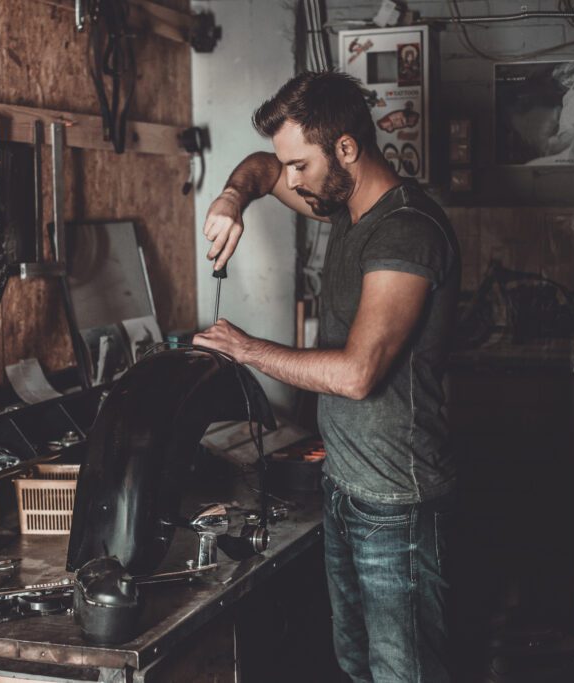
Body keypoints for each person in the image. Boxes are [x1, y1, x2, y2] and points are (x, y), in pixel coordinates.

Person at [192, 71, 461, 682]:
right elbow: (262, 165)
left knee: (404, 672)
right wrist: (233, 198)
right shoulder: (346, 210)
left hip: (397, 502)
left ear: (346, 149)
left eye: (301, 166)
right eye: (291, 167)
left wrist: (246, 348)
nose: (290, 181)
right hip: (346, 488)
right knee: (357, 665)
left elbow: (359, 373)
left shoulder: (406, 231)